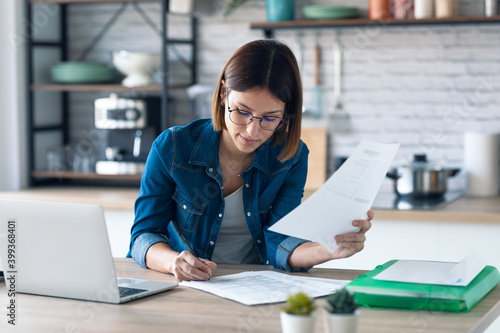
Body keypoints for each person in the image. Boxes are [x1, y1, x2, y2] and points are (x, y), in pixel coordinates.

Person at [128, 39, 373, 281]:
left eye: (269, 118)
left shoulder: (292, 158)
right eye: (243, 112)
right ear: (224, 94)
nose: (252, 132)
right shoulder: (172, 147)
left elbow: (279, 242)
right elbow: (144, 235)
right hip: (177, 286)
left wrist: (328, 249)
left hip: (249, 287)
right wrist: (173, 262)